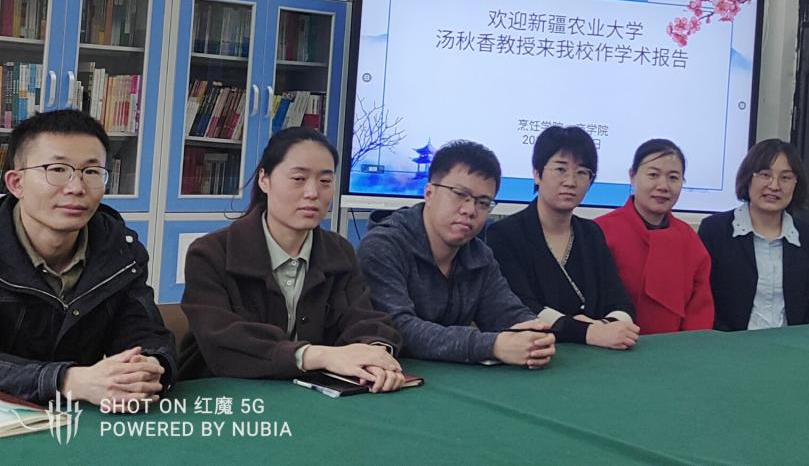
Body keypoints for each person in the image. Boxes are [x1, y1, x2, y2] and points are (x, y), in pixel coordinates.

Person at [180, 128, 404, 391]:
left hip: (309, 396)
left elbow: (364, 318)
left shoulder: (339, 252)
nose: (312, 193)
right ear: (264, 180)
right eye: (298, 178)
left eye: (325, 181)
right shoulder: (210, 254)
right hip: (227, 393)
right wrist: (319, 356)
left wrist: (374, 355)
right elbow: (222, 340)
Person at [0, 109, 175, 406]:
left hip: (80, 420)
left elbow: (145, 333)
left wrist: (147, 367)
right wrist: (66, 380)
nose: (76, 187)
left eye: (91, 172)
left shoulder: (120, 250)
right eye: (57, 169)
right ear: (16, 183)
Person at [357, 140, 555, 367]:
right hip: (391, 377)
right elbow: (398, 329)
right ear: (429, 193)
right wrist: (492, 346)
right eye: (460, 194)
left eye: (483, 203)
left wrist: (534, 334)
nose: (470, 210)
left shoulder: (479, 255)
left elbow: (506, 312)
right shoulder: (383, 247)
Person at [487, 126, 639, 349]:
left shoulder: (591, 233)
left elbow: (620, 300)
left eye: (582, 172)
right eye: (560, 169)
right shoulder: (504, 234)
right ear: (537, 173)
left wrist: (607, 327)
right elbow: (522, 307)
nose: (571, 181)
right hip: (539, 352)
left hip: (599, 353)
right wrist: (587, 332)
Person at [697, 138, 809, 331]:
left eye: (785, 178)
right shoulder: (715, 231)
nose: (774, 186)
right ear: (748, 178)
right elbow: (703, 303)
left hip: (795, 346)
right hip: (729, 344)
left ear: (796, 184)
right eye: (765, 175)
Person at [595, 139, 714, 334]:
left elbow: (700, 311)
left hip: (678, 348)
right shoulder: (600, 231)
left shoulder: (689, 240)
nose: (663, 186)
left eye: (673, 178)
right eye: (653, 175)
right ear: (632, 176)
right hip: (611, 344)